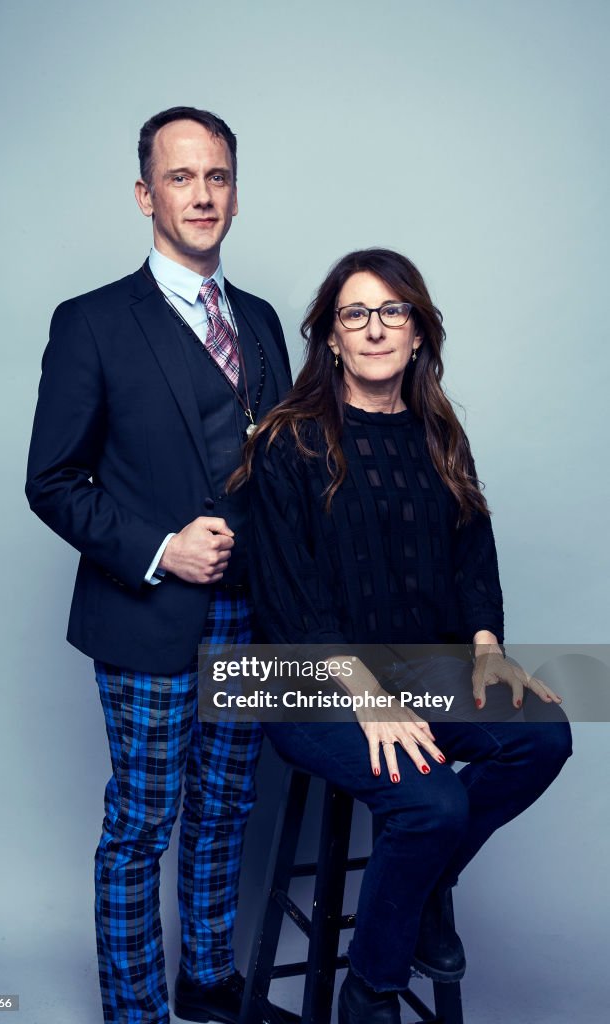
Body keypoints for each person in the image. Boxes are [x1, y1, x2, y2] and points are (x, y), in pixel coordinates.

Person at [232, 249, 572, 1024]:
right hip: (313, 683)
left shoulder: (438, 434)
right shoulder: (291, 441)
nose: (375, 328)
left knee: (542, 736)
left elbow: (470, 554)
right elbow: (289, 604)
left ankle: (415, 895)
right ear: (331, 338)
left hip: (427, 669)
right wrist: (369, 701)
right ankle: (370, 988)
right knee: (431, 801)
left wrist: (487, 646)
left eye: (393, 312)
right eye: (355, 313)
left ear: (417, 333)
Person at [26, 107, 297, 1024]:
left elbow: (282, 471)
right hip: (145, 613)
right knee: (141, 825)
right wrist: (159, 548)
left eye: (216, 176)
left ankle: (209, 980)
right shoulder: (92, 322)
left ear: (234, 191)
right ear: (146, 194)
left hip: (251, 613)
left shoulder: (259, 322)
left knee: (225, 811)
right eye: (181, 177)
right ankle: (135, 1011)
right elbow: (53, 481)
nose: (202, 194)